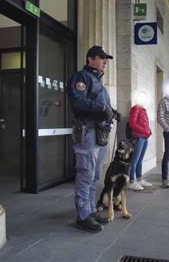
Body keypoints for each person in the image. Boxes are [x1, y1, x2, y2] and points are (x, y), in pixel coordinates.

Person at [67, 45, 121, 233]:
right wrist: (101, 108)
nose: (105, 62)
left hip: (99, 134)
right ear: (90, 59)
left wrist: (112, 112)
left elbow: (101, 104)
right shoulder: (82, 77)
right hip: (88, 132)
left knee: (95, 176)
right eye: (101, 58)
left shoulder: (98, 81)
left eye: (106, 59)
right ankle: (83, 216)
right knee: (86, 175)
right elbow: (78, 101)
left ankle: (90, 211)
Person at [127, 92, 153, 191]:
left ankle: (139, 179)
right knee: (134, 160)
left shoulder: (143, 109)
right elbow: (132, 124)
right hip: (138, 137)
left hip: (144, 137)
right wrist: (145, 131)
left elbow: (145, 123)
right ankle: (132, 181)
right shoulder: (135, 108)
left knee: (140, 159)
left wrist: (148, 131)